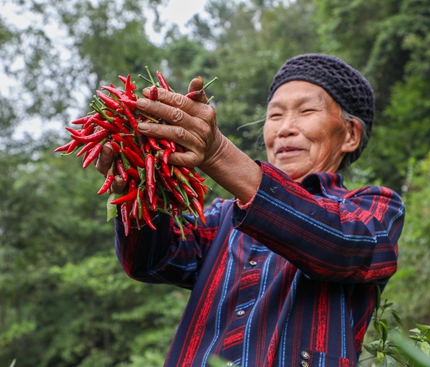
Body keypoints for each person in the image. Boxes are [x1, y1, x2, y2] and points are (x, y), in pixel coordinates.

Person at [96, 53, 405, 367]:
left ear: (350, 134)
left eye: (306, 111)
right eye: (275, 116)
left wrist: (218, 153)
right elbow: (151, 259)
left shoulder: (375, 207)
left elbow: (340, 245)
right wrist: (141, 178)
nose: (285, 129)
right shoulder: (221, 219)